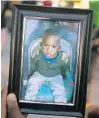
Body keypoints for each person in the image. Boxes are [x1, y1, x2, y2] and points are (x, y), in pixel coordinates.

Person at [25, 28, 70, 103]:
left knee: (60, 89)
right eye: (45, 45)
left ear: (59, 48)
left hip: (55, 75)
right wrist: (30, 74)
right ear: (41, 45)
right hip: (40, 73)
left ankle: (60, 103)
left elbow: (65, 67)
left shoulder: (63, 58)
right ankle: (29, 100)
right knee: (32, 83)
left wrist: (64, 75)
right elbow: (33, 65)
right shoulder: (37, 55)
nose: (49, 49)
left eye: (53, 46)